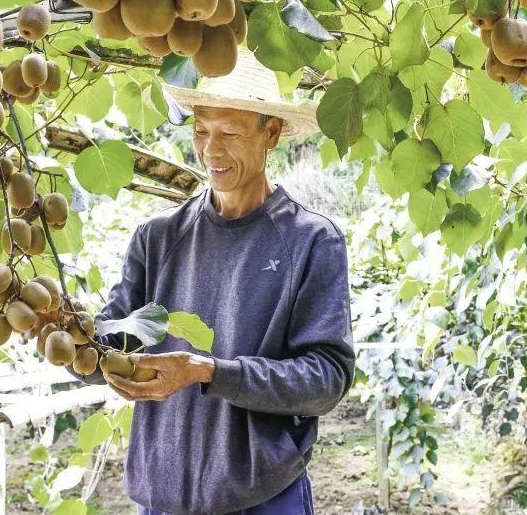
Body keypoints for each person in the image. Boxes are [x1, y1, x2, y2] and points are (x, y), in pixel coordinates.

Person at [47, 50, 354, 514]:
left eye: (229, 133)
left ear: (271, 133)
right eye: (201, 131)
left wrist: (209, 371)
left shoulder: (311, 241)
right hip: (163, 494)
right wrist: (66, 336)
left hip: (261, 495)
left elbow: (325, 380)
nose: (211, 150)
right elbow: (108, 353)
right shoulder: (157, 237)